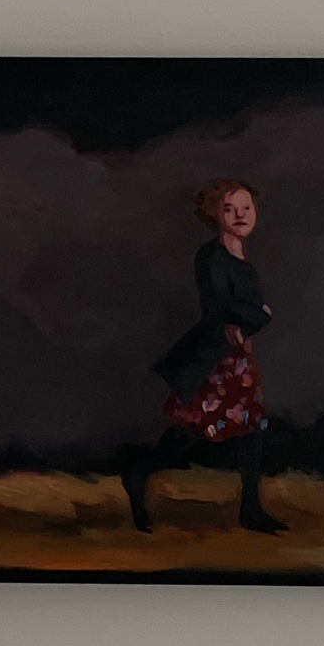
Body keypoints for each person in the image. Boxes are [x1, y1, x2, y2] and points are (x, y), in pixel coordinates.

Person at [121, 177, 286, 537]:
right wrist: (260, 316)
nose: (240, 215)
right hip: (215, 359)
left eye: (246, 208)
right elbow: (222, 305)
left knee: (252, 429)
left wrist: (251, 320)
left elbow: (247, 310)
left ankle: (251, 509)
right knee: (194, 427)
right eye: (229, 209)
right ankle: (138, 471)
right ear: (215, 214)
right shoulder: (212, 256)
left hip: (240, 359)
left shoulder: (246, 264)